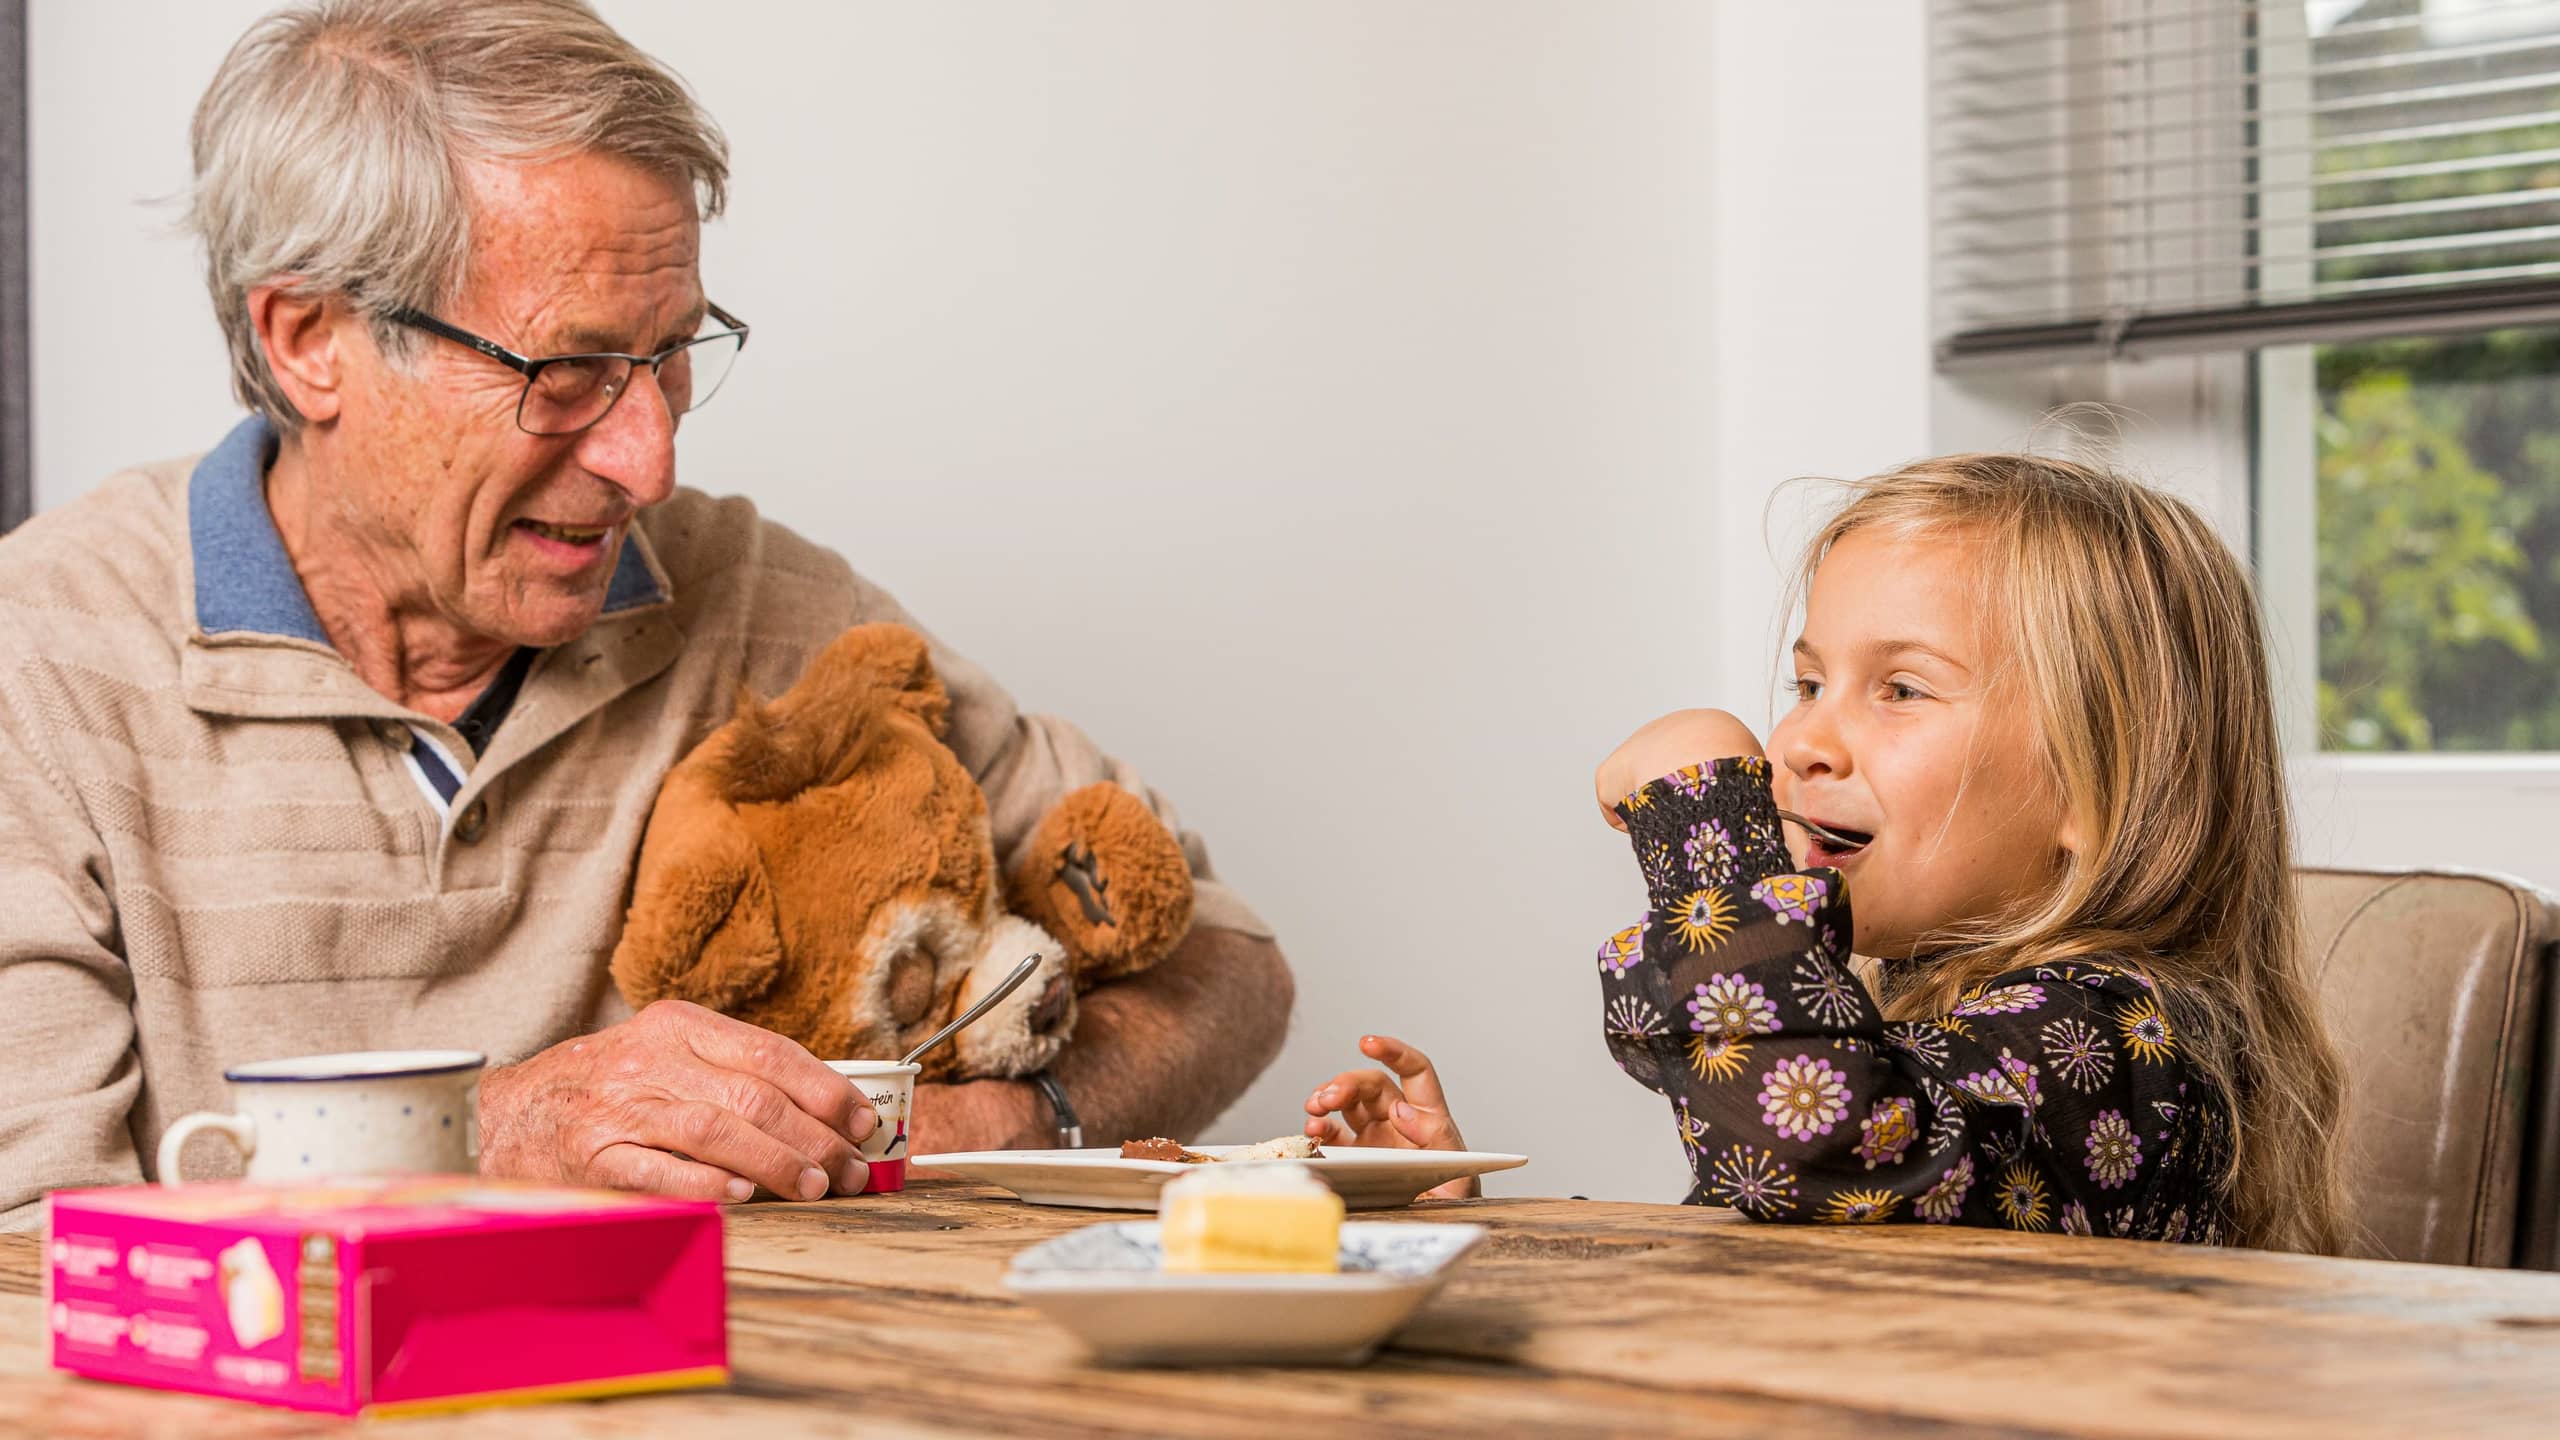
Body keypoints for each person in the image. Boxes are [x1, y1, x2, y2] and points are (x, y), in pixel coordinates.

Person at [0, 0, 1292, 1229]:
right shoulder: (41, 662)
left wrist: (1016, 1118)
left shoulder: (776, 612)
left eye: (670, 354)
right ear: (306, 339)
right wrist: (471, 1142)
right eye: (564, 372)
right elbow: (29, 1252)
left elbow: (1224, 959)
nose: (647, 461)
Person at [1308, 454, 2348, 1253]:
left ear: (2098, 786)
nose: (1797, 741)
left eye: (1900, 689)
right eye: (1808, 686)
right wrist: (1460, 1216)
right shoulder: (1923, 1023)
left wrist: (1706, 818)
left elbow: (1798, 1142)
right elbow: (1776, 1242)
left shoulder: (2121, 1039)